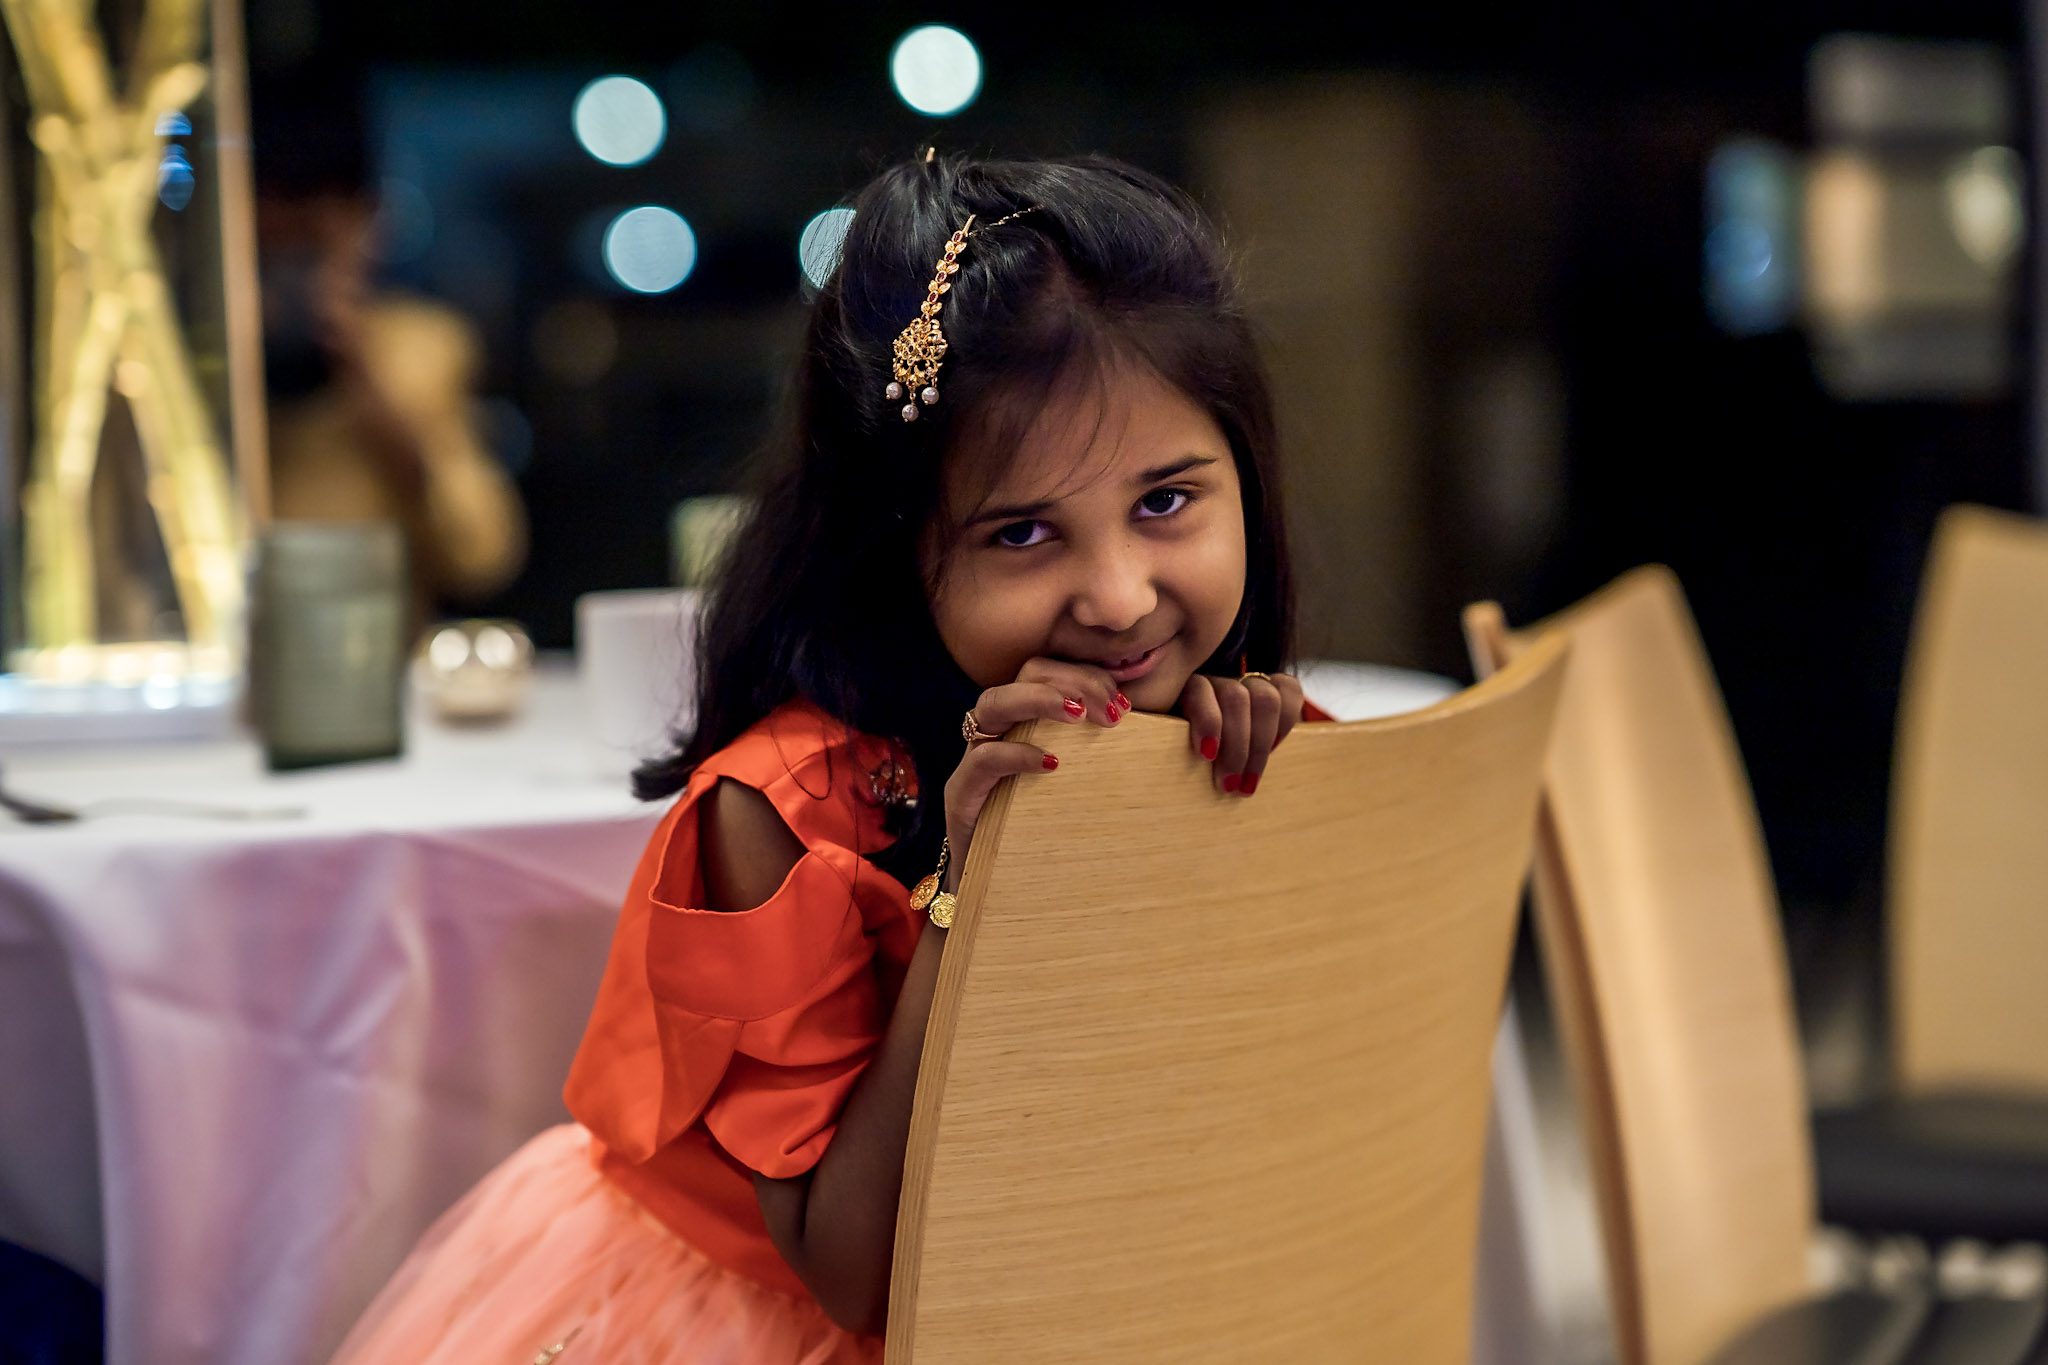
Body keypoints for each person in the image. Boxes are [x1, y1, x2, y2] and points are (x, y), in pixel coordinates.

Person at [330, 151, 1313, 1364]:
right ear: (897, 547)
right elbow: (848, 1273)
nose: (1116, 599)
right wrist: (976, 882)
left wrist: (1268, 827)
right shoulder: (780, 815)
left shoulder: (1217, 728)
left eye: (1165, 502)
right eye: (1020, 531)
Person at [254, 72, 527, 621]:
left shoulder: (419, 349)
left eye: (308, 247)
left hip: (378, 672)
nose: (289, 276)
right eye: (268, 250)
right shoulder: (199, 372)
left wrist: (370, 393)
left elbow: (483, 557)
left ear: (367, 224)